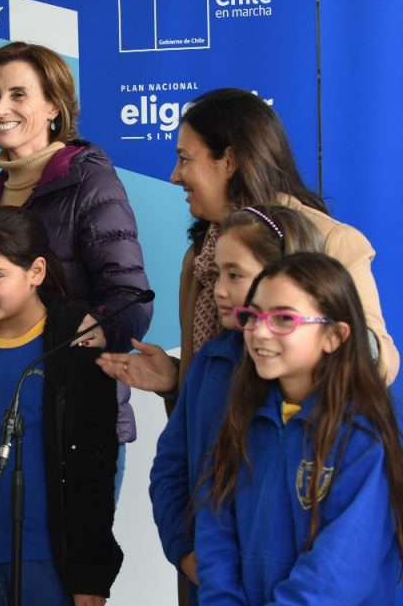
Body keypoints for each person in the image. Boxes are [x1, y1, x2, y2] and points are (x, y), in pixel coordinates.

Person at [97, 87, 398, 397]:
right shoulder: (199, 256)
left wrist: (306, 333)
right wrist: (176, 381)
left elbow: (380, 365)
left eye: (185, 159)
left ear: (230, 161)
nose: (174, 176)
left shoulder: (332, 242)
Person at [0, 41, 150, 480]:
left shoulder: (89, 180)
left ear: (54, 107)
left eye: (18, 95)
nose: (1, 108)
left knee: (78, 550)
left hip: (75, 412)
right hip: (3, 408)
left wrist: (93, 330)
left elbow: (131, 297)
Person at [0, 206, 122, 606]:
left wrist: (90, 574)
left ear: (36, 272)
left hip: (47, 562)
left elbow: (95, 462)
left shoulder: (75, 343)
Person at [196, 253, 403, 604]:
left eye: (282, 319)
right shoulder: (243, 418)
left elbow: (337, 573)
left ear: (334, 336)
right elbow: (215, 529)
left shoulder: (363, 438)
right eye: (254, 315)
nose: (259, 331)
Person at [148, 206, 323, 606]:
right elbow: (172, 469)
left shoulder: (333, 395)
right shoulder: (209, 363)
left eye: (235, 275)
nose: (218, 291)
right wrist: (187, 553)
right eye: (217, 275)